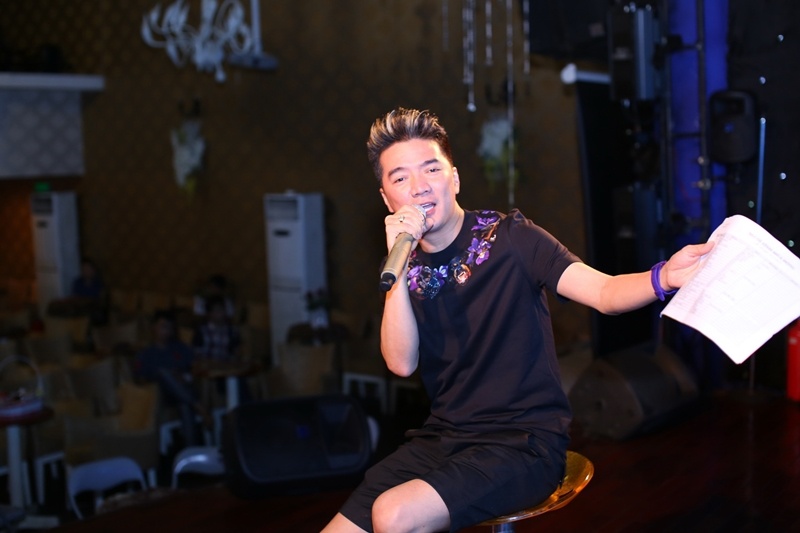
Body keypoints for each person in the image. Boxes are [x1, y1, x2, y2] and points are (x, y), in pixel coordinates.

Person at [323, 108, 714, 533]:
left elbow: (604, 293)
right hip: (445, 438)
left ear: (454, 179)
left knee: (393, 514)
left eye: (431, 169)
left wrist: (664, 277)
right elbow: (401, 363)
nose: (419, 187)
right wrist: (397, 264)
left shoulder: (512, 238)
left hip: (523, 442)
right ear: (387, 200)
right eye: (400, 178)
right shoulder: (401, 266)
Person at [133, 310, 210, 448]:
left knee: (184, 402)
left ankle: (190, 450)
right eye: (163, 326)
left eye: (170, 327)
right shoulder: (146, 354)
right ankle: (200, 408)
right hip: (162, 395)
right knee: (163, 374)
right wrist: (166, 377)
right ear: (153, 327)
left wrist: (182, 376)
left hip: (185, 389)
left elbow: (194, 367)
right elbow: (140, 380)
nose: (167, 331)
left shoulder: (180, 348)